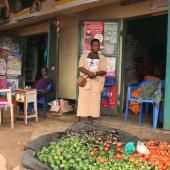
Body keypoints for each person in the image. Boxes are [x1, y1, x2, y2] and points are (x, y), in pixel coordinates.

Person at [77, 39, 107, 122]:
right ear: (91, 46)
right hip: (86, 82)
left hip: (96, 82)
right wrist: (89, 73)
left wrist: (95, 74)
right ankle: (79, 119)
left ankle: (90, 119)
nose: (97, 47)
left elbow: (104, 71)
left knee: (94, 102)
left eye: (98, 45)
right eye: (95, 45)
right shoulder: (84, 56)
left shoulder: (102, 58)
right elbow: (81, 67)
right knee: (83, 101)